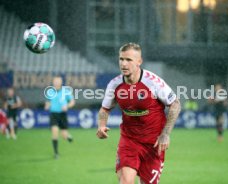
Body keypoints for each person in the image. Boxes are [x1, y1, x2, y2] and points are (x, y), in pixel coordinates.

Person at [96, 43, 181, 184]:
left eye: (128, 60)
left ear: (139, 62)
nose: (123, 64)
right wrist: (101, 125)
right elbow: (105, 109)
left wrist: (165, 134)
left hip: (153, 145)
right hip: (129, 141)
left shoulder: (153, 82)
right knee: (126, 181)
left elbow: (175, 104)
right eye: (121, 59)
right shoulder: (114, 84)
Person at [45, 76, 75, 159]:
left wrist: (67, 106)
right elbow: (48, 102)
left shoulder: (66, 91)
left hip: (62, 114)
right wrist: (47, 106)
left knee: (64, 135)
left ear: (61, 82)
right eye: (55, 81)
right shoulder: (50, 91)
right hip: (53, 114)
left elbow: (72, 102)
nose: (57, 82)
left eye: (59, 81)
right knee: (55, 131)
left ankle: (68, 137)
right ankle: (56, 153)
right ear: (53, 82)